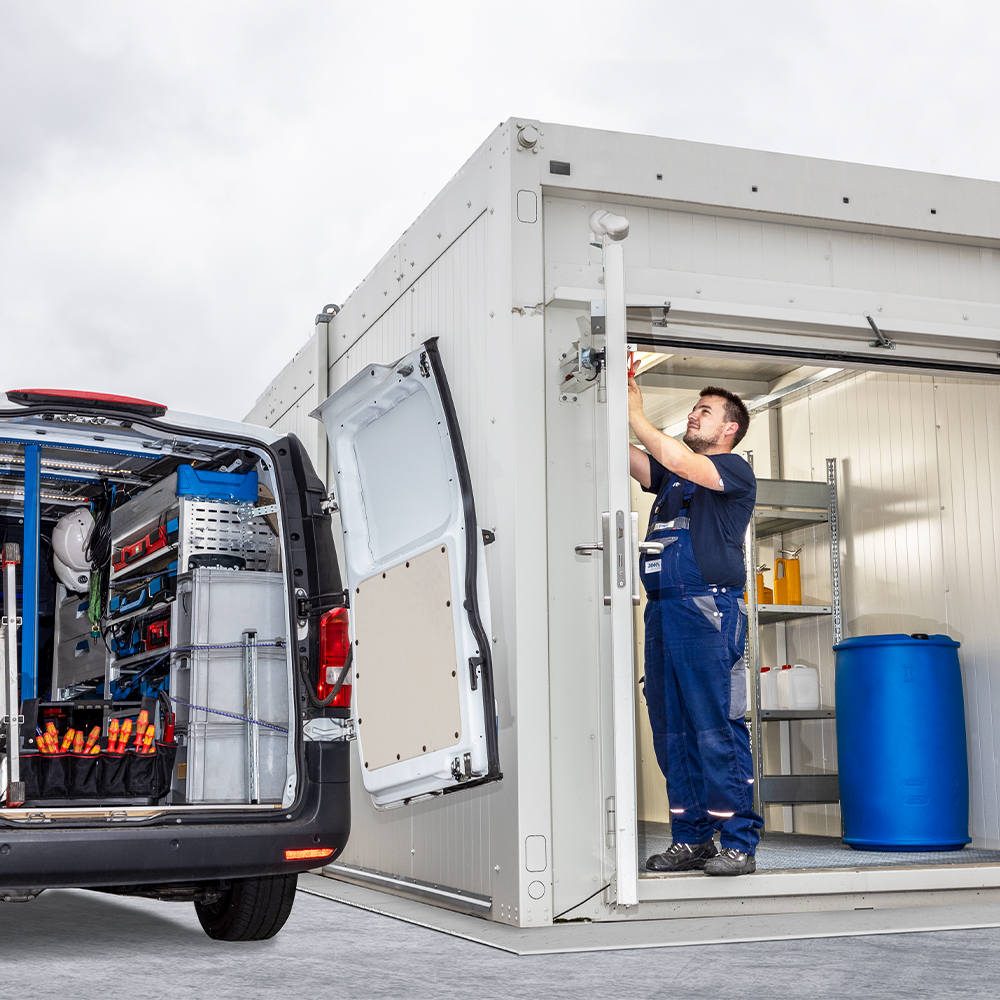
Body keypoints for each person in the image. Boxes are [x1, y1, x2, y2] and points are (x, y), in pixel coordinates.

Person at [628, 379, 762, 876]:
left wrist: (636, 413)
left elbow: (679, 458)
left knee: (715, 727)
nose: (693, 416)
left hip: (708, 610)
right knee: (672, 731)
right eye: (693, 409)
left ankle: (739, 842)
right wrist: (602, 398)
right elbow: (633, 455)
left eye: (704, 411)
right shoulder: (673, 478)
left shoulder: (732, 470)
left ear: (729, 429)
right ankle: (692, 838)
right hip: (662, 610)